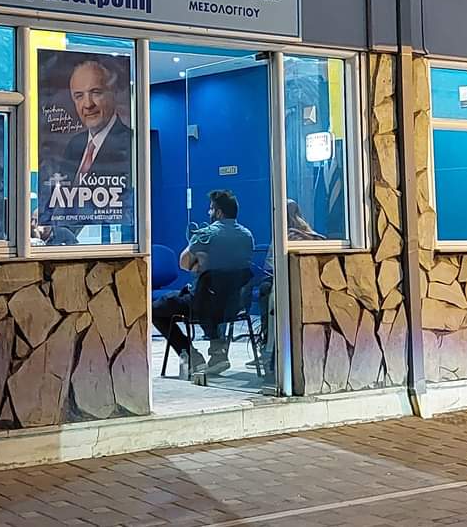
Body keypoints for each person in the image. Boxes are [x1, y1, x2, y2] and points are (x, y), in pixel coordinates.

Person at [153, 189, 253, 378]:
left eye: (211, 209)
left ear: (218, 212)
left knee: (156, 309)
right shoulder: (247, 236)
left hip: (204, 304)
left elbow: (183, 263)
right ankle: (218, 354)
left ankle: (192, 357)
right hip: (233, 305)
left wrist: (199, 263)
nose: (209, 212)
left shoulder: (206, 234)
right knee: (215, 295)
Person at [256, 200, 326, 379]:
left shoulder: (284, 237)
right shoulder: (312, 235)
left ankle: (268, 344)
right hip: (313, 289)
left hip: (286, 288)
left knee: (265, 290)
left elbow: (270, 267)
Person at [61, 59, 132, 185]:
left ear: (114, 93)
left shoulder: (132, 144)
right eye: (79, 96)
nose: (88, 104)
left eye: (96, 93)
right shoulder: (74, 145)